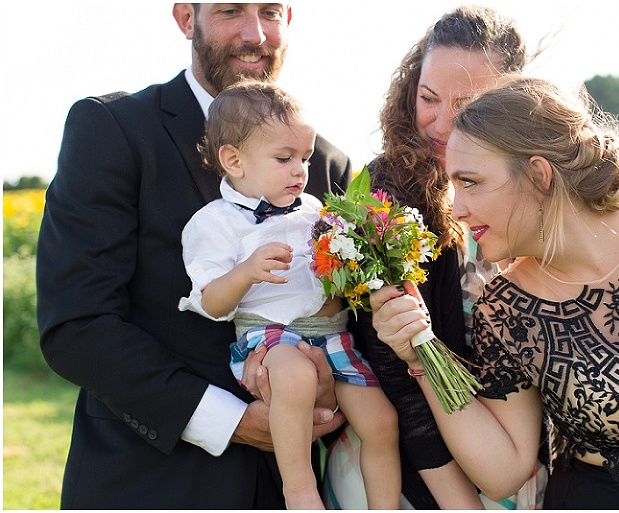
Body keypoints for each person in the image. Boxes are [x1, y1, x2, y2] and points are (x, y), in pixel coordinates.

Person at [370, 75, 619, 509]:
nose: (456, 208)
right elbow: (503, 472)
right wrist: (420, 355)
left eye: (470, 182)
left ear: (539, 174)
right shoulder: (505, 309)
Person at [36, 4, 350, 509]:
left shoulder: (327, 163)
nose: (254, 33)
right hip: (147, 483)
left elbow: (340, 312)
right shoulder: (112, 128)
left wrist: (329, 388)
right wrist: (229, 421)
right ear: (187, 18)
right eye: (230, 10)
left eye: (270, 11)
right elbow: (78, 324)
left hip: (281, 491)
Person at [346, 5, 542, 509]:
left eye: (469, 104)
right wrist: (460, 502)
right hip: (425, 478)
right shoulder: (385, 193)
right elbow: (394, 369)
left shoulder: (541, 185)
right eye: (428, 98)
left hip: (524, 462)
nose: (441, 124)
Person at [178, 80, 401, 510]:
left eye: (305, 157)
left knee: (381, 421)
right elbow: (210, 303)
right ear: (234, 160)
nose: (300, 169)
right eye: (284, 158)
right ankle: (299, 492)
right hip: (271, 338)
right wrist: (245, 273)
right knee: (296, 379)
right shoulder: (215, 223)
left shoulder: (315, 209)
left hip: (334, 336)